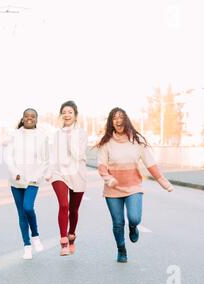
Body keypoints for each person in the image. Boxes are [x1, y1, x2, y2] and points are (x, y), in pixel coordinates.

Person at [96, 107, 174, 263]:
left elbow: (151, 164)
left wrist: (163, 182)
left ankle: (133, 227)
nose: (118, 120)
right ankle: (121, 250)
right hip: (113, 189)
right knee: (118, 223)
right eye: (115, 118)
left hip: (133, 187)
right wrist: (108, 178)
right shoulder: (106, 143)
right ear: (111, 122)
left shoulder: (137, 142)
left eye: (121, 117)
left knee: (134, 217)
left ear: (126, 120)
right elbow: (102, 165)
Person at [5, 108, 48, 260]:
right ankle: (27, 246)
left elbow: (45, 160)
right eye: (27, 116)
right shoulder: (14, 135)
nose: (29, 118)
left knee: (28, 207)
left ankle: (35, 235)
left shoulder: (42, 136)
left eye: (33, 116)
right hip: (16, 180)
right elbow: (8, 156)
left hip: (33, 179)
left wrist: (37, 176)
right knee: (21, 214)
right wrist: (14, 172)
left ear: (36, 119)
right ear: (22, 118)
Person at [46, 101, 88, 256]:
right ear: (61, 115)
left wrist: (71, 139)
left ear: (75, 115)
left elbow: (79, 155)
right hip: (59, 173)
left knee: (73, 209)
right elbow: (53, 155)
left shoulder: (82, 133)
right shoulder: (57, 134)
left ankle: (71, 236)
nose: (67, 114)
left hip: (77, 173)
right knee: (63, 205)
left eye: (70, 112)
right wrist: (49, 171)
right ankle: (63, 241)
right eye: (64, 112)